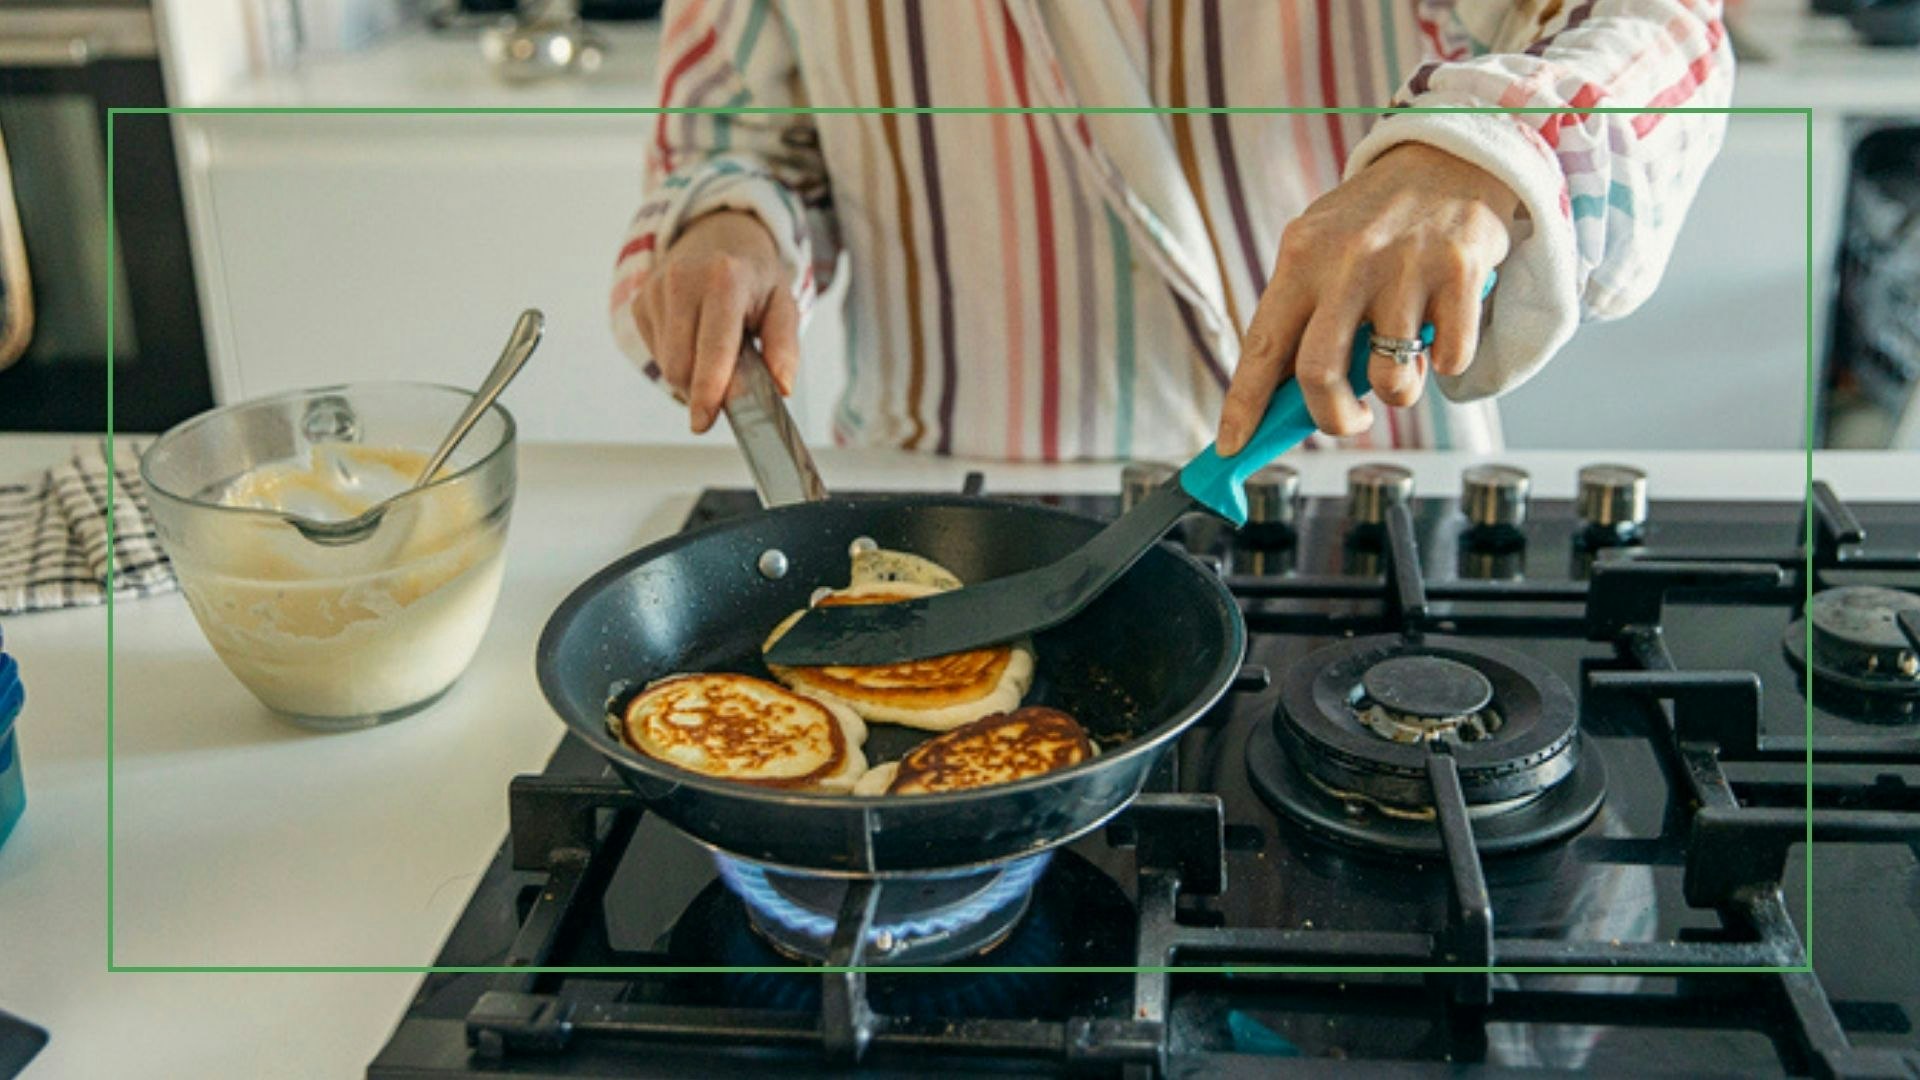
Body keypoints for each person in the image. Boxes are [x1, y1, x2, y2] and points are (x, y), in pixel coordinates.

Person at [610, 0, 1732, 461]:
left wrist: (1474, 152)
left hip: (1359, 487)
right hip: (942, 508)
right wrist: (730, 224)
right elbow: (739, 133)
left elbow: (1662, 23)